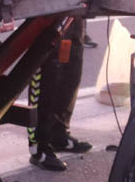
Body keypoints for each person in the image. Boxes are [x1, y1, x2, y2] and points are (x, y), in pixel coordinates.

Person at [28, 16, 93, 171]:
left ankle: (58, 134)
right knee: (48, 77)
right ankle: (38, 146)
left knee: (70, 73)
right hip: (50, 10)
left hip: (77, 12)